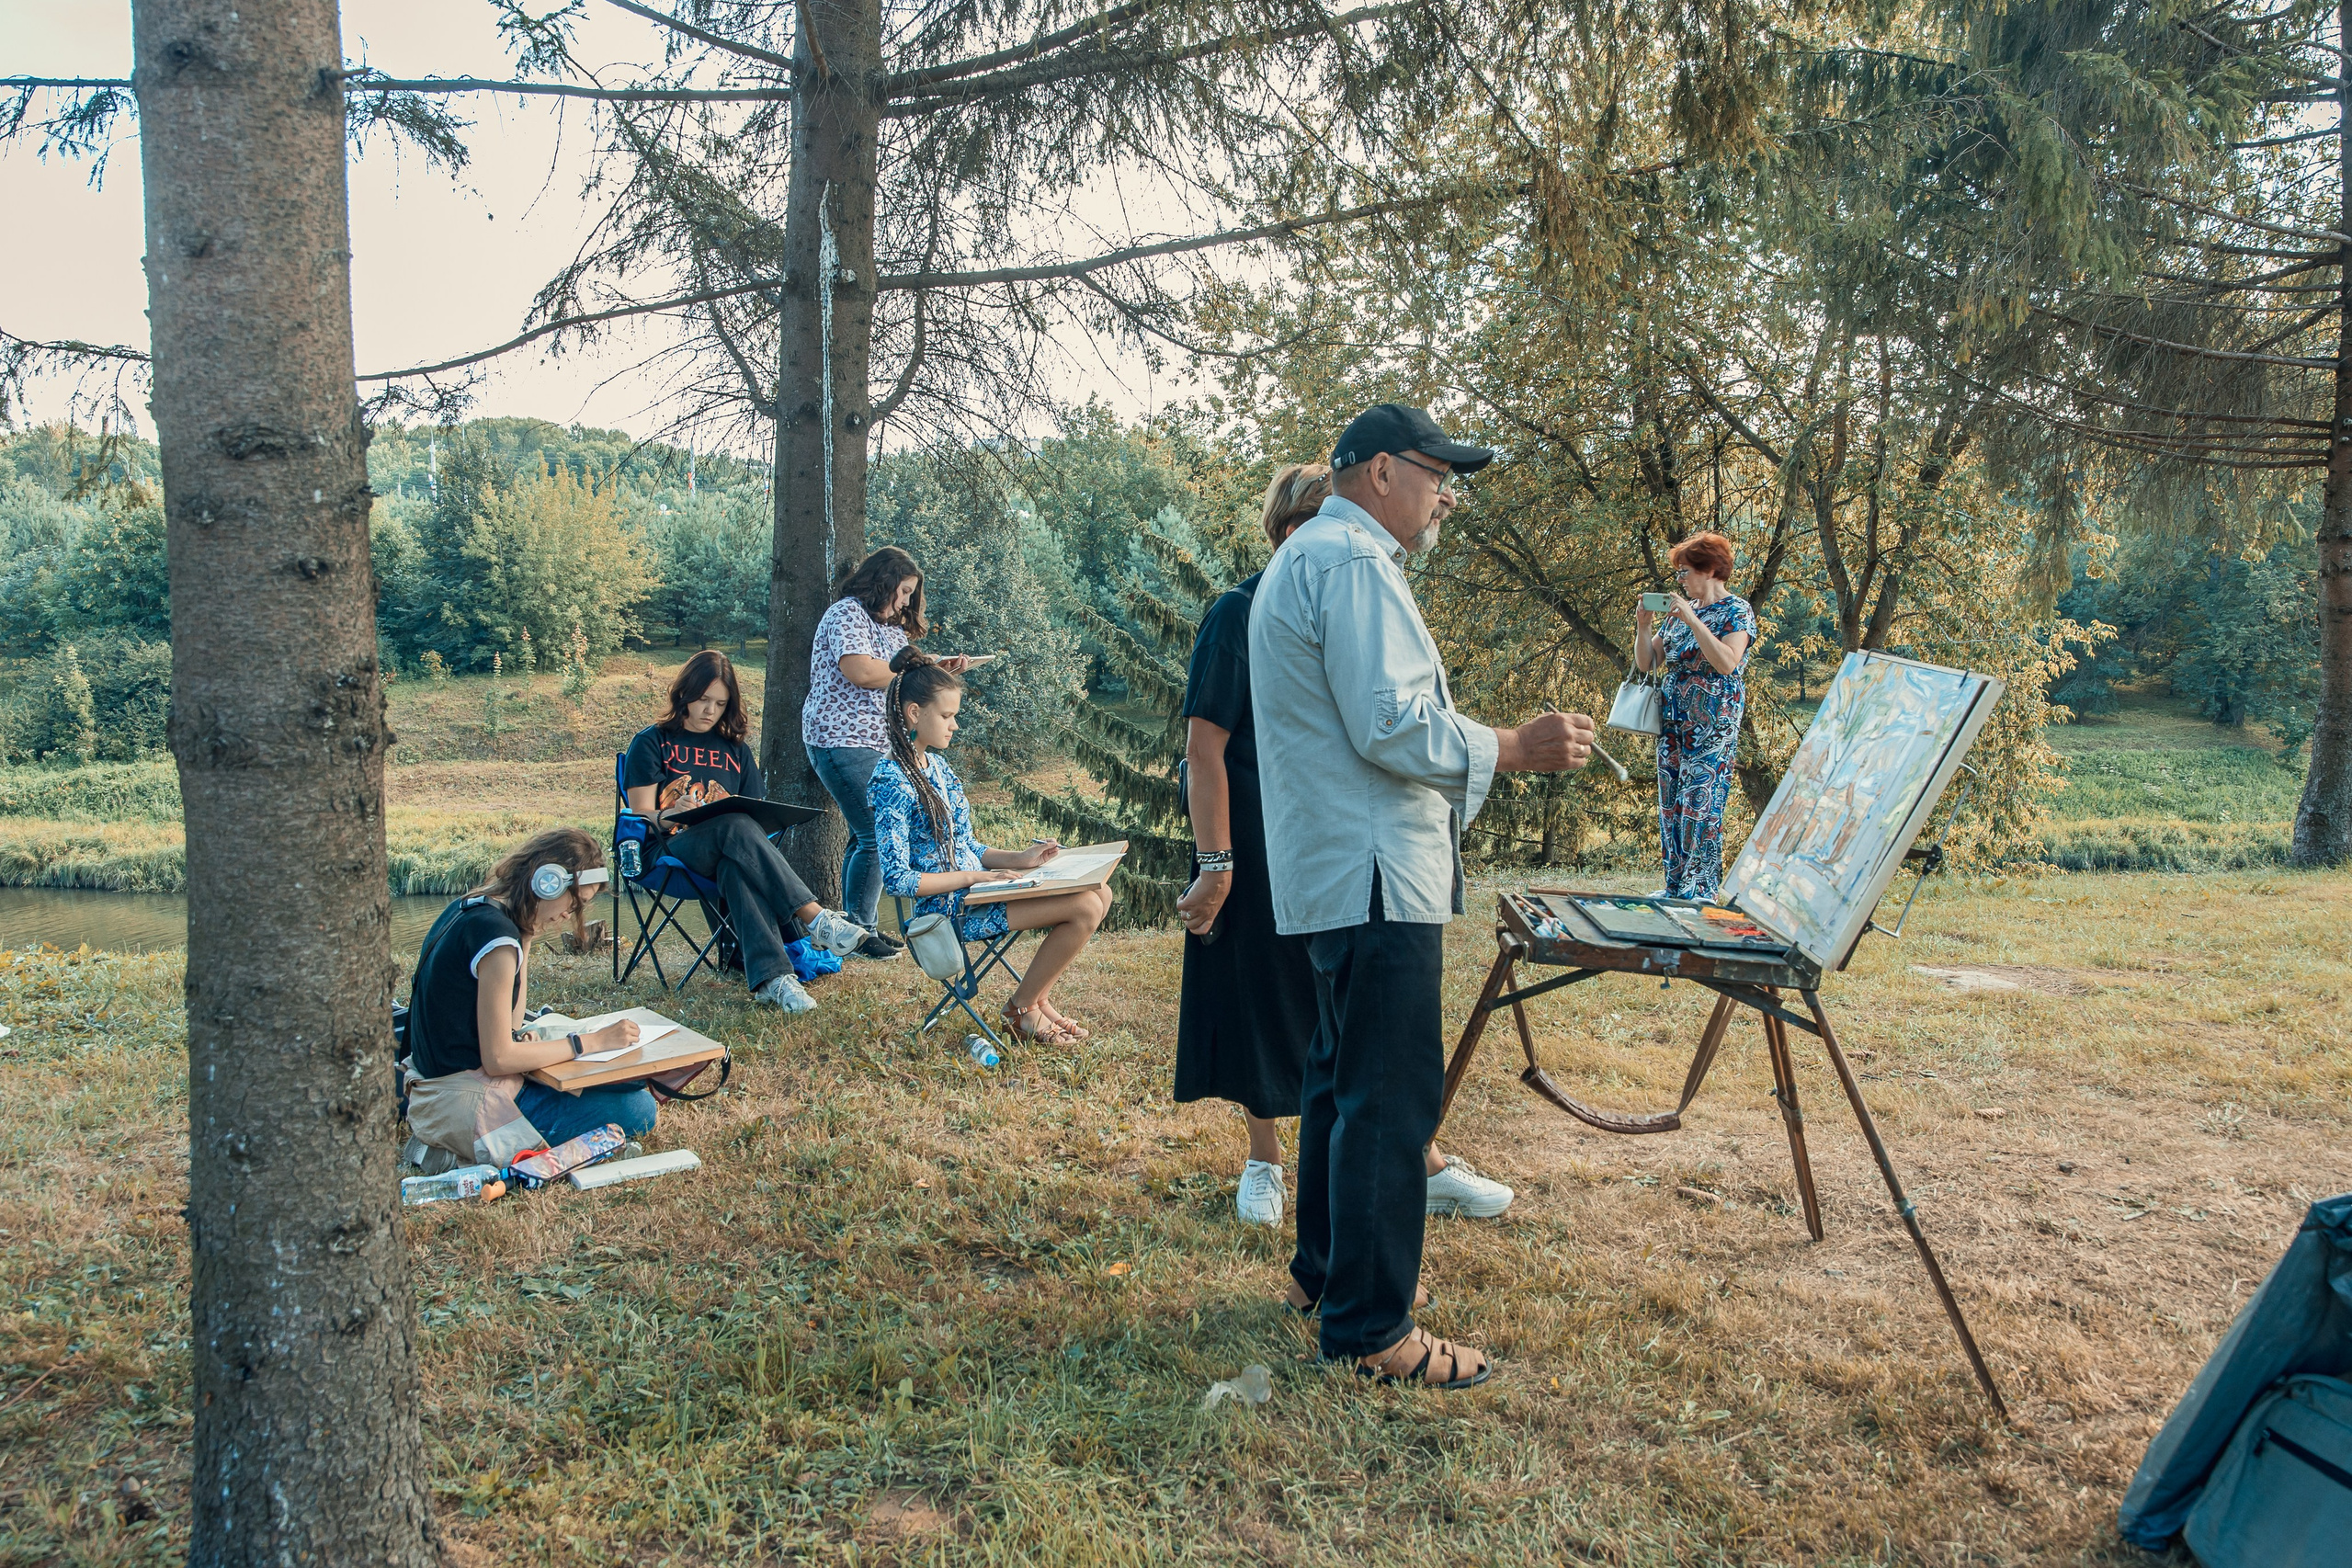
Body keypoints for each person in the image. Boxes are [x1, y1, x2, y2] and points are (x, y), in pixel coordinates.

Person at [1251, 403, 1595, 1391]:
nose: (1450, 494)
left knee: (1339, 1082)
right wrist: (1512, 747)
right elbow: (1392, 723)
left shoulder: (1315, 556)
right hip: (1370, 873)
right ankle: (1371, 1329)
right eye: (1441, 473)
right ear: (1383, 472)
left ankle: (1329, 1279)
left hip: (1337, 868)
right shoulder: (1352, 563)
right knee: (1388, 1096)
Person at [1176, 462, 1517, 1230]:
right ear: (1295, 528)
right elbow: (1203, 749)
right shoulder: (1239, 612)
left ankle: (1417, 1163)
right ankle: (1264, 1162)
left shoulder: (1352, 593)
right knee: (1258, 999)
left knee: (1338, 1020)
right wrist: (1217, 862)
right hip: (1250, 833)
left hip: (1328, 830)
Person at [869, 647, 1111, 1046]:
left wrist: (1021, 858)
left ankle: (1036, 999)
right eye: (947, 716)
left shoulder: (938, 768)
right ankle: (1022, 1009)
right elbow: (898, 879)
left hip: (977, 892)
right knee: (1085, 906)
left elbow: (965, 844)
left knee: (1101, 891)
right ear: (914, 714)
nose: (955, 726)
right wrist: (975, 877)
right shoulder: (891, 780)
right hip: (948, 910)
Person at [624, 649, 869, 1011]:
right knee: (734, 825)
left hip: (729, 851)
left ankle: (776, 980)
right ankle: (816, 918)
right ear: (684, 695)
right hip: (667, 852)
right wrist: (672, 813)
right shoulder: (651, 742)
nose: (710, 710)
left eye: (720, 703)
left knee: (736, 864)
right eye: (703, 699)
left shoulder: (734, 750)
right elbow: (639, 814)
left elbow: (753, 813)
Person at [403, 827, 653, 1157]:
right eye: (575, 902)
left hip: (440, 1082)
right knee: (638, 1109)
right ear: (547, 881)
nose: (569, 914)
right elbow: (499, 1059)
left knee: (620, 1089)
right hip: (462, 1095)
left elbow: (512, 1021)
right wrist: (591, 1043)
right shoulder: (496, 940)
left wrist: (528, 934)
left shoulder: (472, 908)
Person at [803, 546, 980, 954]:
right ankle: (861, 932)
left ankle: (853, 927)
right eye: (902, 591)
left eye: (910, 595)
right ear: (881, 582)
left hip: (879, 742)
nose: (905, 602)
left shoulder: (892, 630)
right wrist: (917, 664)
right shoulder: (846, 613)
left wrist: (937, 670)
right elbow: (862, 671)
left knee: (863, 836)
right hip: (840, 738)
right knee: (875, 835)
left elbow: (903, 683)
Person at [1633, 530, 1755, 902]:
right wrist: (1643, 626)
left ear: (1712, 570)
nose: (1680, 580)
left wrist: (1691, 619)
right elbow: (1646, 662)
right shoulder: (1678, 615)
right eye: (1679, 573)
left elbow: (1726, 662)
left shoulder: (1737, 611)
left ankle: (1699, 890)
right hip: (1673, 725)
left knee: (1701, 803)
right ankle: (1674, 887)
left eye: (1685, 572)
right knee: (1672, 804)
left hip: (1713, 724)